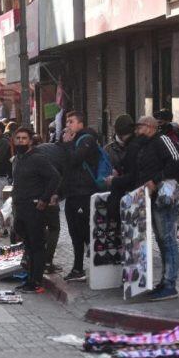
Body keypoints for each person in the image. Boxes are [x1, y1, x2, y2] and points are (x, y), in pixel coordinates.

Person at [133, 116, 179, 301]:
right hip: (151, 199)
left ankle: (170, 284)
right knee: (162, 241)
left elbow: (176, 161)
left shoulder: (163, 140)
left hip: (164, 197)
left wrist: (155, 180)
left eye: (140, 127)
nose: (137, 131)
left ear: (150, 126)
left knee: (168, 240)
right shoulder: (145, 145)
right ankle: (165, 280)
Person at [12, 128, 61, 293]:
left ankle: (36, 282)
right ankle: (29, 280)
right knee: (28, 246)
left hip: (34, 209)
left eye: (24, 138)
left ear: (30, 141)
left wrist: (44, 199)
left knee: (37, 246)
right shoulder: (18, 159)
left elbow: (55, 177)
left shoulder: (38, 159)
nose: (20, 141)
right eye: (18, 138)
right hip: (21, 209)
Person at [61, 111, 100, 282]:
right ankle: (78, 268)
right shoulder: (73, 140)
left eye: (71, 121)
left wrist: (68, 144)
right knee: (74, 231)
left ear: (80, 124)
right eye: (67, 121)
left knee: (82, 229)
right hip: (72, 192)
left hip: (84, 192)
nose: (68, 124)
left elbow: (75, 160)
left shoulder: (87, 140)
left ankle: (90, 259)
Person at [33, 138, 67, 274]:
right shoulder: (63, 155)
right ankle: (47, 262)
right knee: (54, 227)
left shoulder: (45, 147)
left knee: (39, 227)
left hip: (34, 194)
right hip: (48, 194)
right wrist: (56, 194)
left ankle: (35, 260)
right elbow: (60, 177)